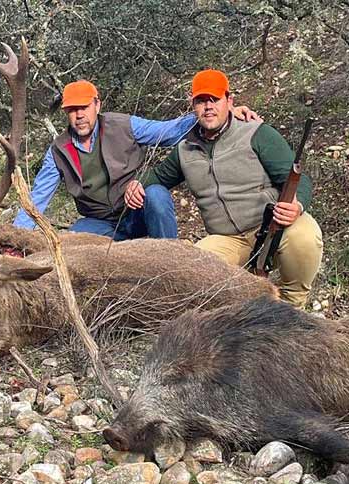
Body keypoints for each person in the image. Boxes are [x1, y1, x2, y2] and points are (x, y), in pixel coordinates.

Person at [126, 69, 323, 308]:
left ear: (229, 101)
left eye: (214, 99)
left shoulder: (257, 133)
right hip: (227, 238)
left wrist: (296, 205)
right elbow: (158, 176)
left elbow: (297, 179)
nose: (208, 107)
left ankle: (294, 307)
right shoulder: (185, 149)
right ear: (193, 106)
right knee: (190, 273)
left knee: (305, 237)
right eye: (201, 101)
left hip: (273, 225)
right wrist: (137, 183)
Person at [13, 79, 258, 240]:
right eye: (72, 110)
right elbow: (36, 200)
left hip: (134, 212)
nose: (79, 115)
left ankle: (171, 261)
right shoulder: (58, 151)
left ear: (97, 105)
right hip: (99, 223)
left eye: (84, 107)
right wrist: (13, 239)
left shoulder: (124, 125)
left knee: (157, 195)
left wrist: (223, 116)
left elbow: (168, 132)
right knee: (72, 240)